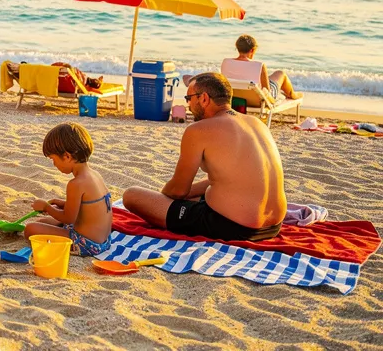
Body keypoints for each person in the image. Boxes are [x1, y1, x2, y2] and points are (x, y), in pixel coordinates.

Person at [122, 72, 286, 241]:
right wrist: (187, 195)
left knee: (132, 195)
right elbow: (236, 178)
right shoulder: (256, 123)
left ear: (204, 98)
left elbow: (178, 190)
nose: (188, 104)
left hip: (236, 227)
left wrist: (163, 199)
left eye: (189, 98)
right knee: (199, 194)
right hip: (273, 226)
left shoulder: (199, 130)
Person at [24, 123, 114, 256]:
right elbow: (88, 208)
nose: (54, 164)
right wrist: (63, 204)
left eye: (53, 159)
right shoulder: (95, 175)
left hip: (87, 244)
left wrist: (46, 207)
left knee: (30, 229)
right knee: (43, 222)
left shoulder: (76, 183)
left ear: (67, 156)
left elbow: (68, 218)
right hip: (104, 240)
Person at [223, 34, 303, 101]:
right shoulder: (259, 65)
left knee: (270, 78)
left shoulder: (226, 62)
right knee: (281, 74)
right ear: (252, 50)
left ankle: (291, 93)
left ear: (237, 48)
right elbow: (267, 92)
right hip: (259, 101)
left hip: (235, 99)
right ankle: (292, 94)